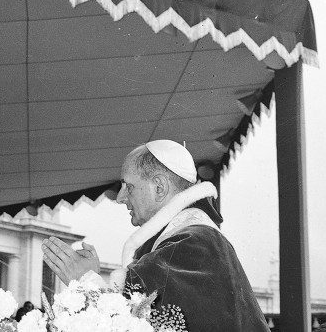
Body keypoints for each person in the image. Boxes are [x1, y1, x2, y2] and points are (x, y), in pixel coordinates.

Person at [42, 140, 269, 332]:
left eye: (128, 187)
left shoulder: (193, 243)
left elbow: (132, 320)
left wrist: (87, 281)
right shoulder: (189, 239)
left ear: (159, 187)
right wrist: (92, 277)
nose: (120, 198)